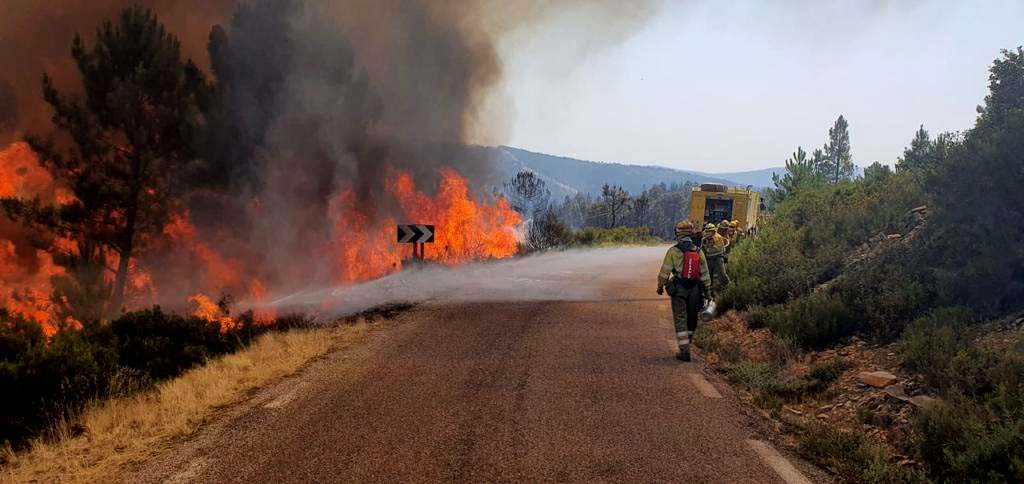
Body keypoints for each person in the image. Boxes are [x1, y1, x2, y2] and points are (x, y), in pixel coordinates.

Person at [657, 221, 712, 361]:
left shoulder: (673, 251)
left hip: (679, 290)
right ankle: (689, 343)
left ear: (678, 234)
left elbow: (664, 272)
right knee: (692, 318)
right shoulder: (699, 251)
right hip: (695, 290)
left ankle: (684, 350)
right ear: (691, 233)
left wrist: (660, 287)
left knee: (680, 319)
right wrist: (708, 293)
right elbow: (705, 275)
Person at [703, 222, 731, 294]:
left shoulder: (718, 237)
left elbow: (720, 249)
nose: (708, 233)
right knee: (709, 276)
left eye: (709, 231)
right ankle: (710, 291)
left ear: (713, 231)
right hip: (709, 259)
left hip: (718, 258)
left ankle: (729, 287)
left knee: (722, 274)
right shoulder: (705, 238)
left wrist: (710, 248)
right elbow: (703, 248)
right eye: (707, 231)